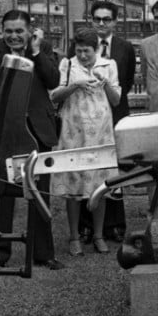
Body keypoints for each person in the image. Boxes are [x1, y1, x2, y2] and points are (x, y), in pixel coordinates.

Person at [0, 10, 63, 270]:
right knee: (2, 193)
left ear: (29, 31)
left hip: (38, 129)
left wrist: (36, 52)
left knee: (40, 192)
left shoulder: (42, 47)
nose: (13, 36)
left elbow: (53, 80)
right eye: (8, 31)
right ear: (2, 32)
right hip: (5, 132)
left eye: (19, 31)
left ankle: (43, 252)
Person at [51, 27, 121, 256]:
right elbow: (54, 95)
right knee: (73, 185)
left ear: (97, 49)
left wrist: (106, 83)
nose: (83, 56)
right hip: (74, 133)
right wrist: (74, 85)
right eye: (79, 51)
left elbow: (116, 100)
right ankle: (74, 237)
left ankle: (99, 235)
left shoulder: (108, 65)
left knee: (100, 186)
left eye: (87, 52)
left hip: (101, 133)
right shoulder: (67, 65)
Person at [73, 1, 135, 242]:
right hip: (86, 116)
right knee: (87, 169)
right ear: (91, 20)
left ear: (115, 21)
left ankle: (115, 224)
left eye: (106, 19)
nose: (101, 23)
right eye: (97, 19)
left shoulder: (125, 47)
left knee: (115, 170)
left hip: (116, 115)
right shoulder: (78, 45)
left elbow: (126, 82)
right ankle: (86, 226)